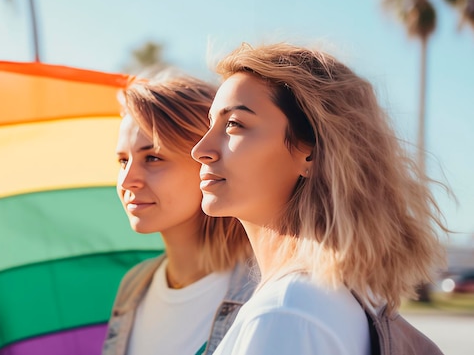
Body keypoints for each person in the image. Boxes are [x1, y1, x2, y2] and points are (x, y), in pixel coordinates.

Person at [191, 43, 448, 355]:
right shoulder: (337, 300)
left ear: (311, 152)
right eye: (211, 124)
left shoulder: (287, 315)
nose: (201, 149)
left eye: (234, 124)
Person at [103, 72, 256, 355]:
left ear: (210, 160)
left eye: (153, 158)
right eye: (123, 161)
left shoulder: (264, 290)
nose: (126, 181)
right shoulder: (135, 286)